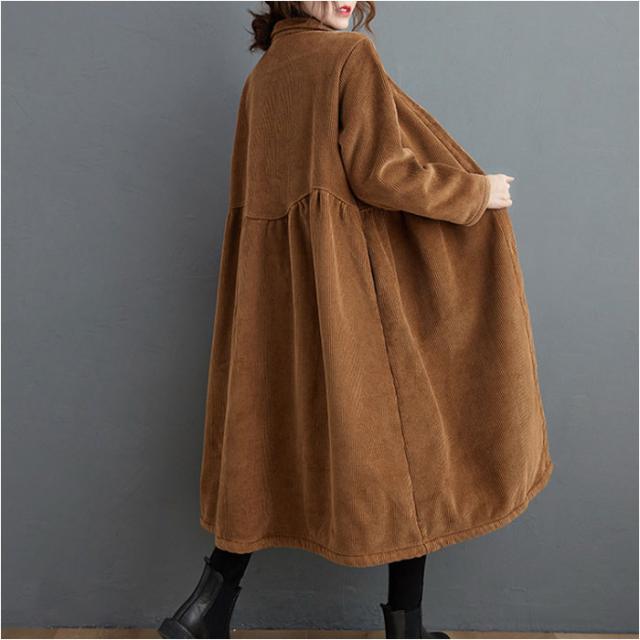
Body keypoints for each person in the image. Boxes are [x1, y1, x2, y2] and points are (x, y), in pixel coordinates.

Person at [159, 1, 554, 638]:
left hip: (276, 300)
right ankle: (406, 628)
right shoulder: (350, 55)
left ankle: (204, 608)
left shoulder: (264, 75)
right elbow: (380, 173)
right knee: (409, 452)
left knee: (263, 442)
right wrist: (475, 192)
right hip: (349, 293)